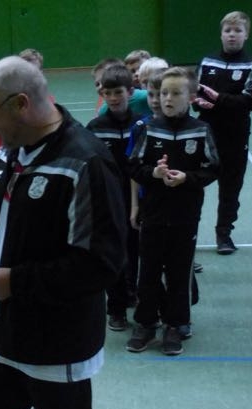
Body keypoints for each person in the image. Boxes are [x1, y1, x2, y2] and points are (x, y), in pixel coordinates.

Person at [0, 56, 126, 409]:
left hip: (55, 344)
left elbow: (101, 264)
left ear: (20, 104)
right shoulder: (8, 151)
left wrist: (17, 282)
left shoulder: (85, 162)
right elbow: (6, 231)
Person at [126, 67, 218, 356]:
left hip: (185, 216)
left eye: (176, 93)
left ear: (190, 97)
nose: (167, 98)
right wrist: (153, 174)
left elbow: (213, 168)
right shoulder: (148, 128)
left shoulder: (201, 130)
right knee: (148, 271)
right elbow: (133, 167)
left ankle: (175, 325)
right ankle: (145, 323)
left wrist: (187, 178)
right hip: (153, 213)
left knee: (179, 273)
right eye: (164, 93)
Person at [193, 10, 252, 254]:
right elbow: (196, 92)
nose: (232, 35)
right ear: (221, 34)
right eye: (228, 30)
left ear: (246, 35)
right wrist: (198, 103)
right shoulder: (207, 62)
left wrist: (218, 100)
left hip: (235, 135)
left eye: (238, 31)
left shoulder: (251, 65)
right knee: (194, 183)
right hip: (205, 133)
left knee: (230, 188)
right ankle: (188, 232)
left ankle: (223, 235)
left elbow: (250, 101)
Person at [86, 65, 143, 331]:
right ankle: (116, 308)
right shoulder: (95, 128)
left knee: (136, 250)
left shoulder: (141, 124)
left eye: (118, 92)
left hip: (137, 201)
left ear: (130, 92)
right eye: (107, 93)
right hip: (108, 201)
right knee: (113, 253)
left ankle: (133, 292)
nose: (112, 98)